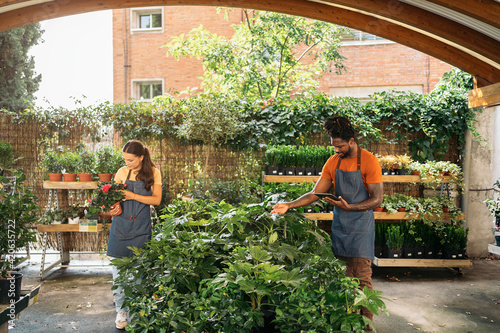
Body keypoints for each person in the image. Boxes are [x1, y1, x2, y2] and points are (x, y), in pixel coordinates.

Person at [271, 116, 383, 325]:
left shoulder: (369, 161)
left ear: (351, 141)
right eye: (334, 146)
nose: (336, 150)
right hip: (340, 228)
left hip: (360, 229)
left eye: (340, 146)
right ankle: (344, 324)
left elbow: (377, 199)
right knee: (341, 280)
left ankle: (364, 327)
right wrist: (289, 204)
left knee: (362, 282)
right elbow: (315, 193)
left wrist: (351, 207)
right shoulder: (333, 162)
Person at [106, 140, 162, 330]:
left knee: (139, 274)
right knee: (118, 274)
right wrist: (113, 208)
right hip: (120, 227)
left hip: (141, 228)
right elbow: (114, 200)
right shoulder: (122, 173)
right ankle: (121, 311)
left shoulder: (154, 172)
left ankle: (138, 310)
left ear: (141, 157)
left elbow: (157, 199)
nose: (127, 163)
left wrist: (132, 196)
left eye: (130, 160)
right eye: (125, 159)